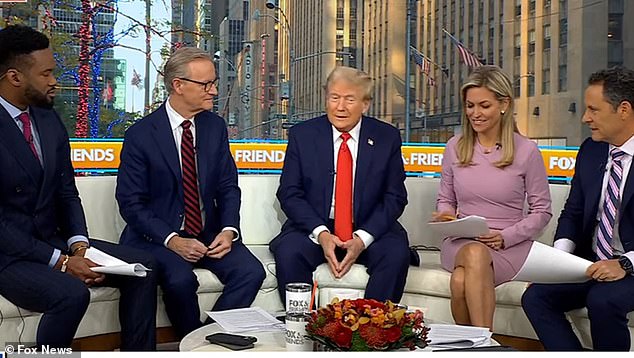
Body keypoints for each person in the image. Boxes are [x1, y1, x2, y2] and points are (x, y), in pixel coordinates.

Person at [0, 25, 157, 350]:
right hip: (8, 254)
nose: (53, 80)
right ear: (15, 78)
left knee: (143, 268)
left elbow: (66, 191)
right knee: (71, 294)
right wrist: (61, 262)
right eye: (45, 73)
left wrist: (79, 246)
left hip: (53, 241)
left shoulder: (47, 118)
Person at [116, 46, 265, 338]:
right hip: (157, 237)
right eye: (206, 84)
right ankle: (193, 339)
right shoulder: (141, 135)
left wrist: (228, 229)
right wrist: (172, 240)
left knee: (251, 272)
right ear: (178, 85)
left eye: (214, 83)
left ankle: (206, 339)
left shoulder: (215, 127)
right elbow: (131, 204)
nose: (213, 91)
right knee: (181, 279)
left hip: (208, 233)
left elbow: (227, 187)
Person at [270, 66, 410, 304]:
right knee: (289, 252)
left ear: (365, 104)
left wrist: (362, 238)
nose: (340, 107)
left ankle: (371, 329)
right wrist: (322, 233)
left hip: (367, 225)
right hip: (315, 226)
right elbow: (290, 193)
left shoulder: (386, 137)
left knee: (395, 253)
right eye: (334, 98)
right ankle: (303, 328)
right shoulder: (303, 135)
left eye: (349, 99)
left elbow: (394, 196)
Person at [522, 67, 634, 351]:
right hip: (592, 262)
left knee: (603, 300)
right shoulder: (591, 150)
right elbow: (573, 212)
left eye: (593, 110)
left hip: (630, 266)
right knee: (536, 297)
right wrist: (556, 263)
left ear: (624, 109)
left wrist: (624, 264)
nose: (585, 118)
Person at [434, 65, 552, 330]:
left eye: (484, 106)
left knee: (460, 281)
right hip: (460, 242)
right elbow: (445, 199)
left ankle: (472, 346)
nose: (475, 114)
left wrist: (506, 236)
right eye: (470, 105)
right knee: (473, 252)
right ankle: (485, 346)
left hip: (508, 246)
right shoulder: (455, 146)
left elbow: (542, 211)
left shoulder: (527, 151)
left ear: (504, 104)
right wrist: (445, 215)